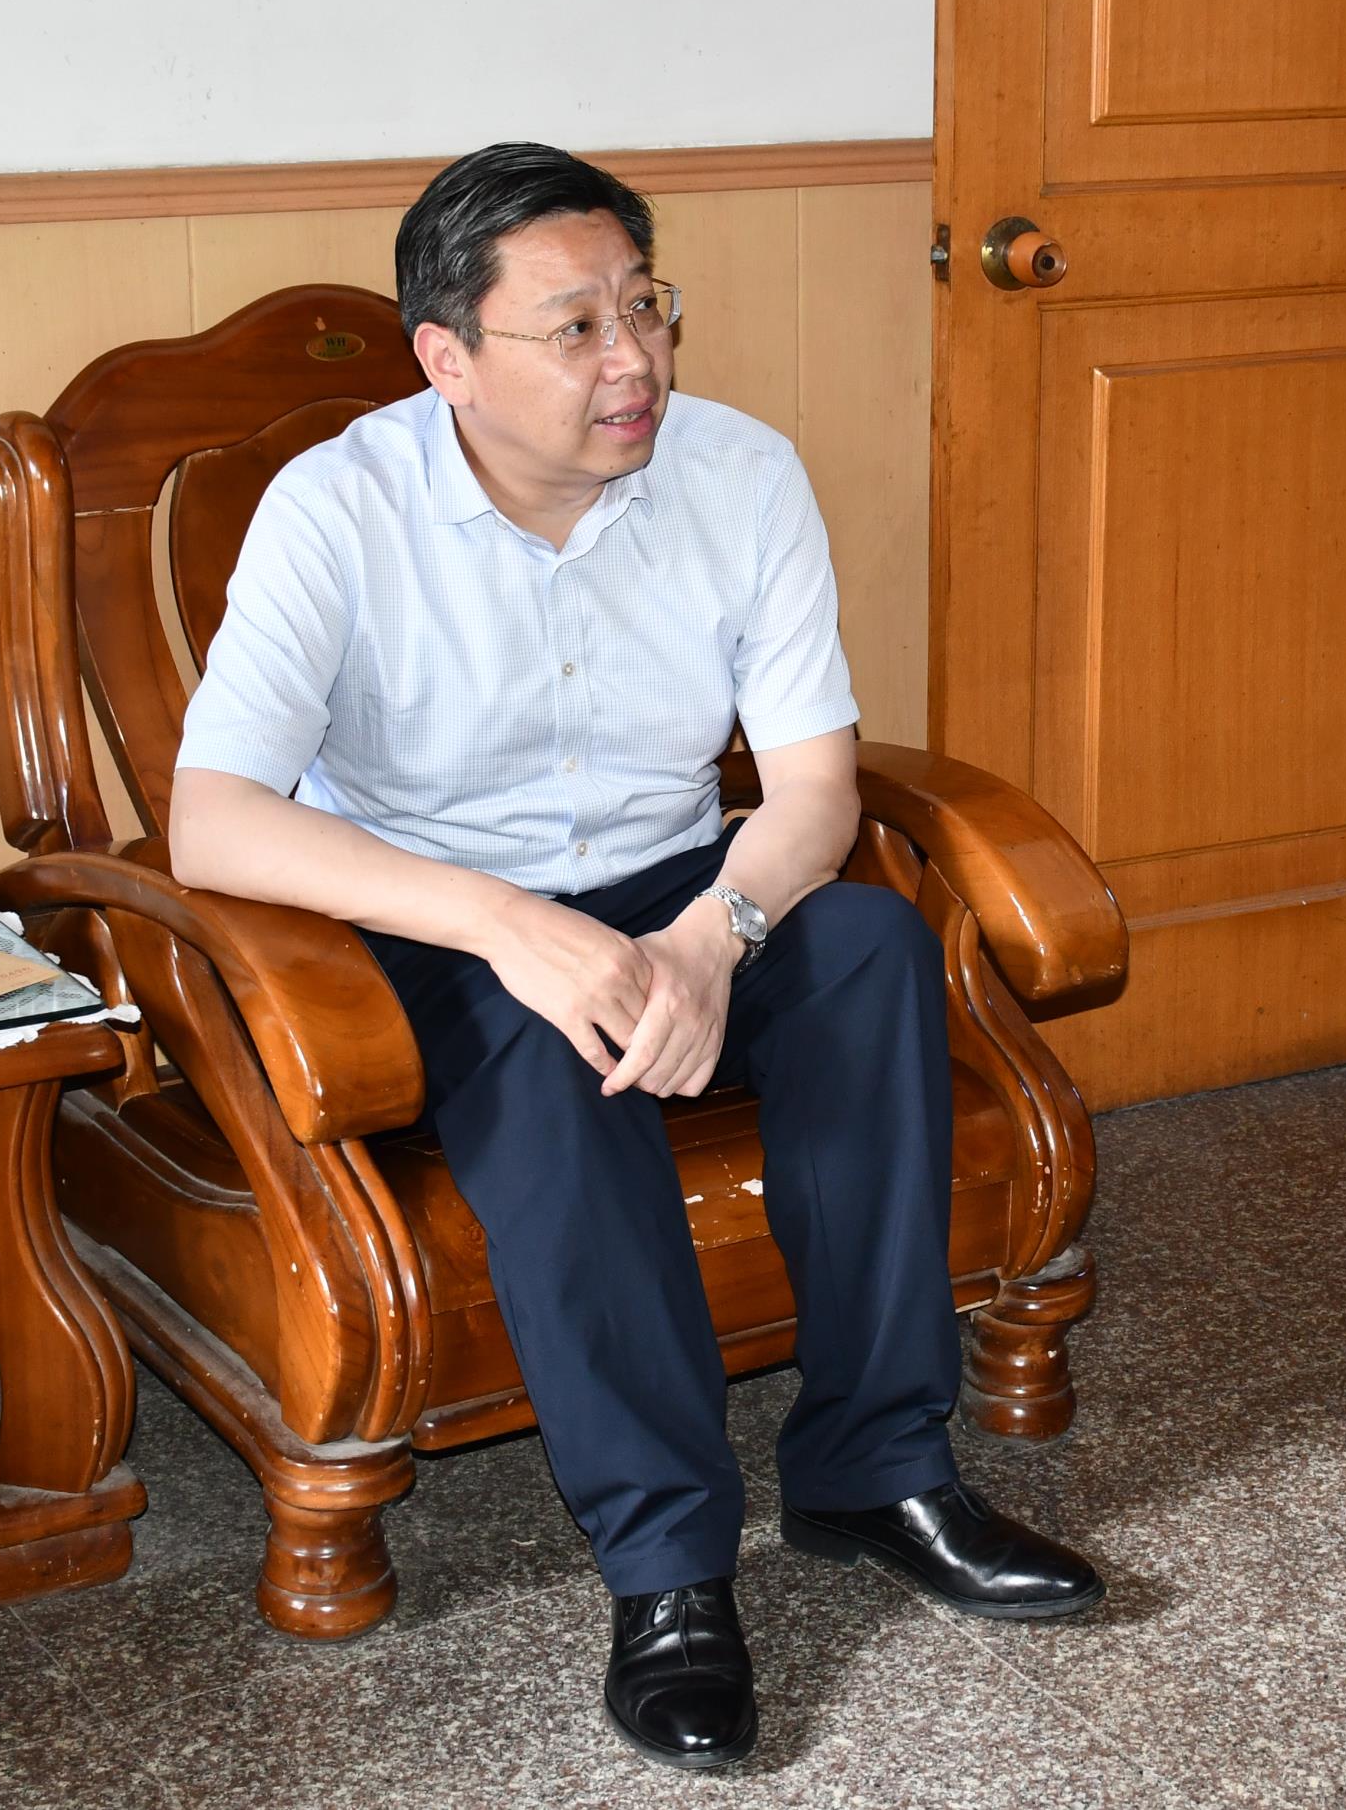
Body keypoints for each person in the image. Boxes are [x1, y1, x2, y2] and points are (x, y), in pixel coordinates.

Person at [165, 142, 1103, 1772]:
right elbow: (212, 820)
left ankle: (876, 1466)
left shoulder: (741, 473)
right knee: (552, 1049)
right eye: (577, 327)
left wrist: (708, 940)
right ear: (447, 357)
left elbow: (812, 793)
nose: (634, 362)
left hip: (677, 880)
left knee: (869, 946)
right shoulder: (338, 507)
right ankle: (668, 1565)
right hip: (441, 908)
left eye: (646, 308)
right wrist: (512, 927)